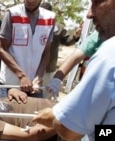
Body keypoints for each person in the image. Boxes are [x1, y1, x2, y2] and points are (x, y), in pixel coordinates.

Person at [32, 0, 115, 141]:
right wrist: (58, 77)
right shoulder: (101, 35)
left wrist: (56, 116)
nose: (89, 14)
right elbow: (76, 55)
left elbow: (70, 130)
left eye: (97, 2)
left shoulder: (108, 55)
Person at [0, 0, 56, 98]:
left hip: (34, 85)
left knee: (34, 113)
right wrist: (21, 76)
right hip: (12, 83)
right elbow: (2, 50)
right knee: (9, 112)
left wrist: (39, 76)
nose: (30, 1)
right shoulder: (12, 13)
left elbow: (46, 53)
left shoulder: (50, 18)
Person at [40, 2, 82, 99]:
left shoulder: (58, 28)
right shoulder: (32, 25)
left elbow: (68, 41)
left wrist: (76, 36)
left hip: (49, 68)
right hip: (32, 66)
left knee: (46, 93)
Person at [46, 30, 103, 95]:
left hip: (49, 68)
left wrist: (75, 37)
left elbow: (68, 42)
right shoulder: (102, 32)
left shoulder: (59, 29)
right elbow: (76, 56)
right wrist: (57, 78)